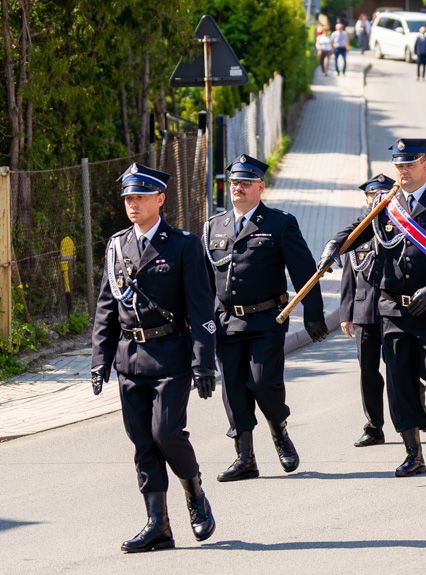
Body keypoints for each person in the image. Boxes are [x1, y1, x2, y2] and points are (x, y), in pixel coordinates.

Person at [319, 138, 426, 477]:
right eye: (399, 166)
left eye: (409, 164)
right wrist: (333, 246)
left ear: (424, 163)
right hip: (394, 311)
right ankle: (413, 453)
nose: (403, 171)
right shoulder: (386, 203)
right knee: (400, 382)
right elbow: (355, 231)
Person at [91, 163, 216, 552]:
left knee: (166, 434)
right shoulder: (117, 246)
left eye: (140, 197)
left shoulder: (183, 245)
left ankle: (194, 492)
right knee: (143, 442)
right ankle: (157, 524)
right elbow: (106, 308)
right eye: (128, 197)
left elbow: (201, 310)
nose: (133, 204)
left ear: (160, 199)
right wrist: (100, 359)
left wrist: (203, 362)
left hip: (171, 357)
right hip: (131, 360)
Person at [204, 155, 327, 482]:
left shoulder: (279, 223)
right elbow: (202, 285)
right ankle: (245, 457)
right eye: (234, 183)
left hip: (267, 321)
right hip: (227, 323)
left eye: (245, 183)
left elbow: (304, 271)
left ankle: (279, 432)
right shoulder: (214, 227)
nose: (238, 189)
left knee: (262, 382)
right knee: (233, 388)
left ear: (261, 186)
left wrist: (314, 315)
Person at [340, 174, 394, 447]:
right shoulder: (358, 231)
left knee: (399, 370)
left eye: (384, 193)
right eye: (374, 195)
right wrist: (345, 313)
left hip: (393, 312)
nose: (379, 199)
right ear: (367, 199)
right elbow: (349, 274)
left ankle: (412, 411)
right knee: (368, 373)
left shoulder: (400, 227)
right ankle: (374, 427)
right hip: (363, 313)